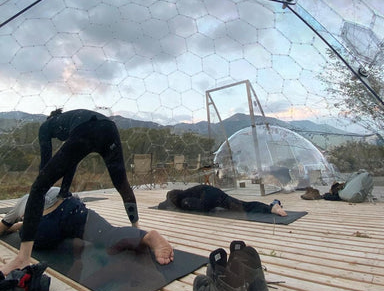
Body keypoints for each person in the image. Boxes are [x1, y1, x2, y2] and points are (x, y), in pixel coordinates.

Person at [1, 108, 140, 276]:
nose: (59, 138)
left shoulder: (47, 125)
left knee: (37, 188)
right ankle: (136, 231)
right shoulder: (71, 119)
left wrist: (43, 185)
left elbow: (45, 160)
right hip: (109, 128)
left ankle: (23, 258)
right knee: (122, 184)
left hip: (88, 128)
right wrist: (63, 192)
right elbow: (72, 162)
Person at [0, 187, 174, 265]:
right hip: (71, 208)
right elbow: (76, 200)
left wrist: (11, 225)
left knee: (26, 233)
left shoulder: (22, 201)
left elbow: (2, 226)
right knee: (108, 233)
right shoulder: (53, 188)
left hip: (44, 224)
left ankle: (21, 226)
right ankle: (147, 236)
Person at [158, 184, 287, 216]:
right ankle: (271, 207)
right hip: (214, 192)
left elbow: (201, 206)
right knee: (243, 205)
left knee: (240, 206)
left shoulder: (183, 200)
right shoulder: (184, 193)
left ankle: (272, 207)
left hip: (209, 195)